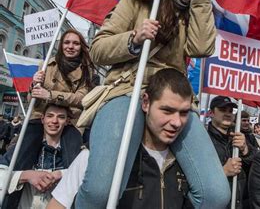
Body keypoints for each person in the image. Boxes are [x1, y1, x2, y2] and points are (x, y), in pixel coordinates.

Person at [76, 0, 229, 208]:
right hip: (128, 90)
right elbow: (98, 50)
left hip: (173, 98)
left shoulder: (196, 11)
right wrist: (133, 39)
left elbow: (202, 48)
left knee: (216, 194)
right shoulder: (137, 1)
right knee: (101, 191)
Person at [48, 69, 200, 209]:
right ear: (146, 103)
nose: (176, 122)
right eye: (167, 110)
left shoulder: (191, 168)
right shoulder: (100, 156)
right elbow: (56, 205)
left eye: (184, 113)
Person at [0, 104, 82, 208]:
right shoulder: (23, 147)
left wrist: (61, 174)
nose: (54, 121)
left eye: (61, 117)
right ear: (42, 119)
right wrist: (26, 176)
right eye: (50, 116)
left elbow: (86, 178)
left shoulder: (76, 151)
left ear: (67, 121)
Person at [30, 29, 94, 126]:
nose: (70, 47)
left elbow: (81, 99)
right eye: (66, 42)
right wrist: (34, 85)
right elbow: (31, 101)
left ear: (81, 47)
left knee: (73, 141)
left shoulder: (86, 69)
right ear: (61, 45)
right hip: (41, 117)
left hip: (69, 120)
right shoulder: (46, 65)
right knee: (26, 140)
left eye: (76, 43)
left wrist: (50, 95)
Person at [207, 96, 256, 208]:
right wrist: (222, 173)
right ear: (211, 113)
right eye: (223, 110)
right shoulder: (203, 140)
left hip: (243, 204)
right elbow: (196, 180)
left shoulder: (240, 137)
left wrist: (245, 150)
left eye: (231, 111)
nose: (228, 114)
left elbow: (257, 168)